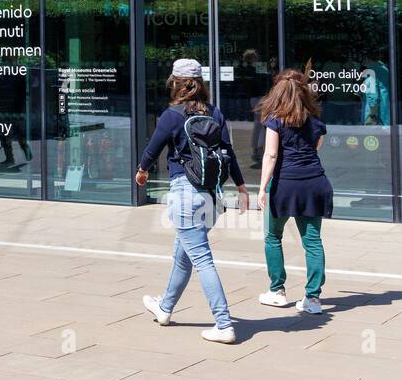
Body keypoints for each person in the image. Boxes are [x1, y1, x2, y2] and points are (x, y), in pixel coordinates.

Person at [136, 58, 249, 344]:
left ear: (176, 82)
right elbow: (229, 152)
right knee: (182, 257)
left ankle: (223, 324)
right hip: (211, 196)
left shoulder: (172, 115)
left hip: (186, 194)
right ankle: (164, 309)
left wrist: (142, 171)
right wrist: (241, 185)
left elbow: (153, 148)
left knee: (202, 260)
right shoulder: (215, 113)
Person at [254, 69, 334, 315]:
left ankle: (277, 291)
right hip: (314, 183)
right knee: (312, 241)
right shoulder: (315, 121)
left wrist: (262, 188)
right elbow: (316, 147)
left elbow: (270, 155)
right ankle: (313, 298)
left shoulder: (275, 120)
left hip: (285, 185)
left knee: (273, 236)